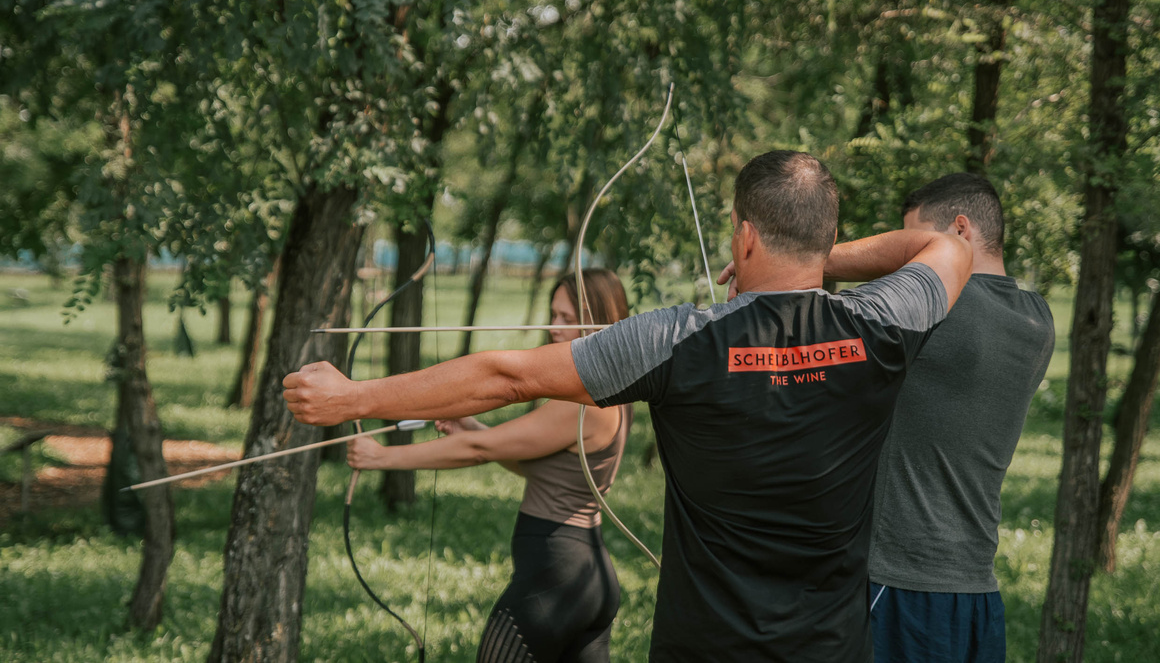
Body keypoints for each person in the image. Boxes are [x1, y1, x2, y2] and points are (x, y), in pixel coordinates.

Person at [284, 150, 974, 661]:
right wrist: (820, 256)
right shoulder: (885, 325)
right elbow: (946, 244)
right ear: (822, 235)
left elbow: (510, 375)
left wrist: (354, 397)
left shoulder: (678, 339)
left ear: (743, 237)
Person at [346, 269, 632, 663]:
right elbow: (536, 465)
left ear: (600, 319)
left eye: (568, 318)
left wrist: (381, 457)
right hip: (589, 579)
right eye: (553, 314)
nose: (555, 327)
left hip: (554, 579)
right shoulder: (615, 393)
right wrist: (472, 425)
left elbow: (480, 449)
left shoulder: (580, 404)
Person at [862, 174, 1055, 663]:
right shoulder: (1037, 319)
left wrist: (808, 257)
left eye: (916, 249)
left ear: (959, 232)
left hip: (903, 587)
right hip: (975, 592)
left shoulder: (941, 312)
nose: (909, 269)